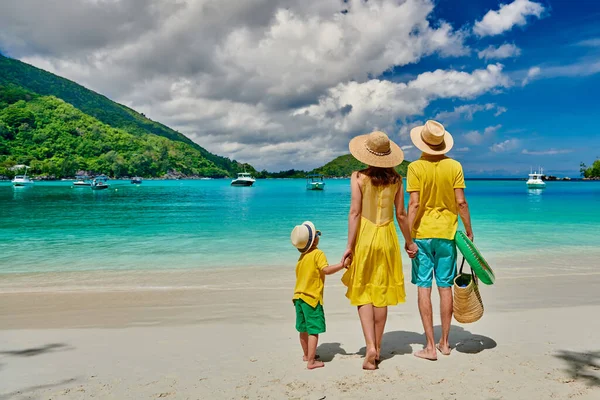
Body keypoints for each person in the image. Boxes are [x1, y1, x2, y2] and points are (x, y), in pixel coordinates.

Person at [341, 131, 418, 370]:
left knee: (363, 292)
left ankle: (370, 346)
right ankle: (379, 347)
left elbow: (355, 213)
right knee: (381, 293)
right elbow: (402, 215)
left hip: (365, 236)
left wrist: (349, 246)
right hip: (386, 237)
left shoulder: (358, 177)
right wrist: (409, 242)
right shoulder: (396, 180)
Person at [406, 120, 474, 361]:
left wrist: (408, 236)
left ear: (422, 142)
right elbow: (461, 202)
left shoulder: (414, 167)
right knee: (445, 287)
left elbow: (413, 204)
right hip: (447, 235)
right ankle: (445, 343)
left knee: (424, 286)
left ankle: (429, 347)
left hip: (423, 235)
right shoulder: (454, 166)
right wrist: (468, 229)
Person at [291, 221, 351, 370]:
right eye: (317, 234)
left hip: (298, 298)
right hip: (311, 299)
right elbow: (326, 270)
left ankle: (306, 355)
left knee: (303, 329)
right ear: (314, 240)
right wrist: (342, 265)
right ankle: (311, 361)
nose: (318, 236)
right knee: (314, 330)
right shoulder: (318, 253)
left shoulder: (302, 258)